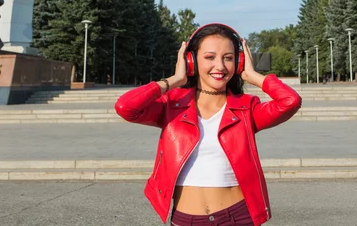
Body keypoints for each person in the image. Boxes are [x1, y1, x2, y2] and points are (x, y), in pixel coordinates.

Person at [115, 23, 302, 226]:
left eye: (228, 58)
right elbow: (125, 107)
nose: (220, 66)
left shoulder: (247, 109)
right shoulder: (171, 106)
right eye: (210, 57)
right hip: (186, 220)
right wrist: (175, 79)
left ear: (239, 63)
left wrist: (253, 76)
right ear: (191, 61)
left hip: (237, 217)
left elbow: (290, 102)